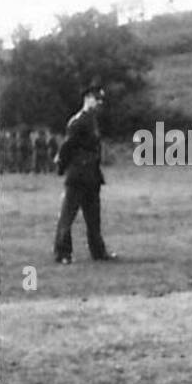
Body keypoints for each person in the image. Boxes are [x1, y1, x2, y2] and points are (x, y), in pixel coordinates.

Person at [53, 85, 117, 264]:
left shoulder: (92, 121)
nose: (99, 103)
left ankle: (98, 252)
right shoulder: (78, 121)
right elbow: (67, 147)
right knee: (67, 216)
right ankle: (62, 253)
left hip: (92, 175)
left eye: (101, 100)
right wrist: (61, 166)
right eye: (96, 99)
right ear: (87, 98)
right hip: (77, 175)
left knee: (93, 218)